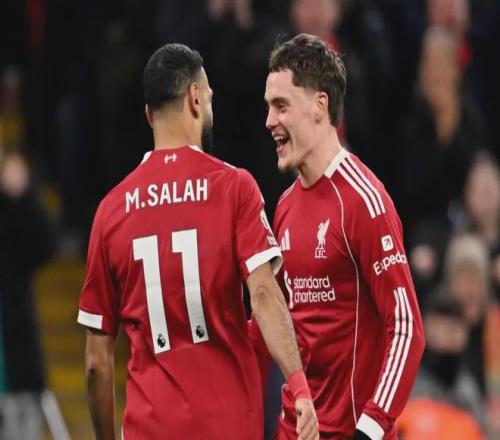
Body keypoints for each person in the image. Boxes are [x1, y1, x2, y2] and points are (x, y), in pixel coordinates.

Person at [77, 43, 318, 440]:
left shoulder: (111, 211)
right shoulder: (232, 187)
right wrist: (299, 385)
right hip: (226, 426)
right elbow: (263, 294)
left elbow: (96, 361)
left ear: (149, 115)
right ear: (194, 98)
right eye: (209, 98)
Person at [261, 33, 425, 439]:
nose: (269, 121)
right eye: (268, 107)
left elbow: (406, 326)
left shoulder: (364, 201)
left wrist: (370, 428)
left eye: (281, 106)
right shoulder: (284, 206)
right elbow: (280, 322)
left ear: (320, 106)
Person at [396, 292, 485, 439]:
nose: (444, 336)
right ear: (424, 327)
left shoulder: (468, 392)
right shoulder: (403, 384)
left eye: (452, 328)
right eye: (437, 326)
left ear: (464, 334)